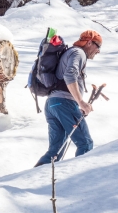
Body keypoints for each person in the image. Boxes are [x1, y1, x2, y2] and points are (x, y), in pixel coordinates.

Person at [34, 30, 102, 167]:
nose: (98, 51)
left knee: (55, 151)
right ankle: (79, 180)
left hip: (52, 104)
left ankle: (33, 179)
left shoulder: (70, 52)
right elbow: (69, 75)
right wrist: (81, 102)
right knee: (85, 143)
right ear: (89, 43)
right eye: (98, 46)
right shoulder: (79, 53)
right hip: (64, 103)